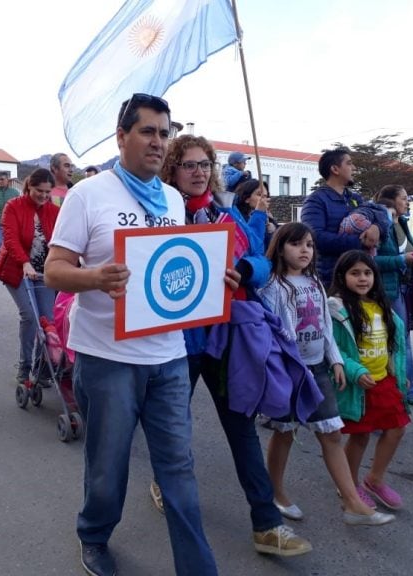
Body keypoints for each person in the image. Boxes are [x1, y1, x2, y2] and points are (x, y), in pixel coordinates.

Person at [45, 94, 220, 576]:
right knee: (109, 468)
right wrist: (95, 278)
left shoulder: (171, 199)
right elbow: (55, 270)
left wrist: (210, 281)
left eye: (164, 133)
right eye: (148, 131)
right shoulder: (88, 195)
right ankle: (94, 536)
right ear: (121, 137)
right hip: (106, 358)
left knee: (179, 471)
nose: (158, 142)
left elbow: (173, 273)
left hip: (168, 357)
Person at [155, 134, 313, 554]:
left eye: (204, 163)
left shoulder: (223, 212)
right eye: (188, 165)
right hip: (176, 343)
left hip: (225, 339)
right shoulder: (160, 214)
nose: (199, 171)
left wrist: (245, 268)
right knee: (173, 426)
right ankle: (162, 480)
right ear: (172, 170)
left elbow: (262, 262)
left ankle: (266, 524)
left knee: (241, 428)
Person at [259, 223, 395, 526]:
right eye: (296, 244)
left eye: (308, 244)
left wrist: (335, 360)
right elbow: (273, 333)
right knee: (284, 433)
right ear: (280, 248)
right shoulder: (272, 287)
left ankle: (352, 503)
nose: (304, 250)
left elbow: (325, 329)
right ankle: (276, 493)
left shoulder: (316, 283)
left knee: (332, 433)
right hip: (290, 371)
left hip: (318, 368)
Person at [328, 250, 410, 510]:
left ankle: (374, 479)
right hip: (357, 385)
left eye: (367, 273)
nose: (362, 278)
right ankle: (348, 486)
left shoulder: (382, 307)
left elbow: (394, 346)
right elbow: (334, 349)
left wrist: (400, 375)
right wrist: (354, 371)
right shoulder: (336, 309)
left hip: (384, 380)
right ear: (342, 277)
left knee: (397, 427)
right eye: (355, 273)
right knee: (360, 436)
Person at [0, 169, 59, 383]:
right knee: (30, 318)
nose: (43, 195)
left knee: (48, 321)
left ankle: (43, 369)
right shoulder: (13, 206)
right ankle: (25, 368)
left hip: (43, 273)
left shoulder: (54, 211)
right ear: (29, 187)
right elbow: (10, 238)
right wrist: (24, 263)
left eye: (47, 192)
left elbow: (61, 241)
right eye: (39, 190)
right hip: (16, 270)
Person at [372, 185, 413, 407]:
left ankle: (407, 387)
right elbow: (369, 260)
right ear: (391, 201)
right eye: (403, 198)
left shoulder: (402, 223)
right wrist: (401, 261)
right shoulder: (379, 226)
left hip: (404, 290)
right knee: (396, 340)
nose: (407, 202)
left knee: (403, 339)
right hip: (385, 291)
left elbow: (405, 252)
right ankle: (403, 389)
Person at [301, 148, 379, 287]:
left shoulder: (355, 198)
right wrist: (360, 242)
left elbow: (377, 215)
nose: (354, 168)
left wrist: (376, 228)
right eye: (349, 163)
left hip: (359, 277)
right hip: (331, 279)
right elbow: (315, 238)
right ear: (335, 169)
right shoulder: (316, 201)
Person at [234, 178, 277, 248]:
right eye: (259, 195)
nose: (263, 199)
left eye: (266, 196)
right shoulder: (238, 219)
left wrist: (274, 231)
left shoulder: (268, 218)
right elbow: (250, 244)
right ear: (247, 199)